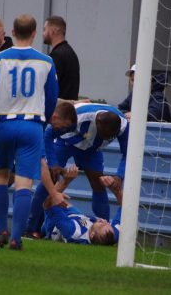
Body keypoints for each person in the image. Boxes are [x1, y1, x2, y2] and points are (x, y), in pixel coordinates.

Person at [0, 14, 62, 250]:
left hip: (3, 123)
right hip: (31, 125)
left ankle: (2, 229)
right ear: (34, 33)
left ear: (12, 31)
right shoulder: (46, 62)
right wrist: (43, 122)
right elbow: (51, 98)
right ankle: (17, 237)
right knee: (24, 183)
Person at [0, 102, 77, 237]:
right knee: (21, 179)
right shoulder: (37, 123)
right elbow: (41, 163)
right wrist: (54, 194)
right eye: (63, 127)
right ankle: (16, 232)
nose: (62, 131)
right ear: (55, 117)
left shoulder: (41, 108)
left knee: (9, 178)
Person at [27, 102, 128, 237]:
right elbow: (48, 135)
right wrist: (53, 163)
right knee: (50, 178)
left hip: (92, 149)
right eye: (104, 135)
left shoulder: (123, 126)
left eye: (111, 137)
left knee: (99, 183)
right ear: (97, 122)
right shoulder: (79, 117)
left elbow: (128, 153)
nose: (107, 139)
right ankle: (31, 229)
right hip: (66, 142)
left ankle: (104, 231)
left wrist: (119, 176)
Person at [42, 165, 121, 246]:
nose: (103, 220)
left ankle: (34, 229)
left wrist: (66, 181)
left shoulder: (73, 230)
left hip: (55, 224)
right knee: (61, 200)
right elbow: (125, 209)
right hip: (77, 217)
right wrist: (116, 191)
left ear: (92, 235)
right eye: (107, 223)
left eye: (101, 224)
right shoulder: (112, 234)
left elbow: (47, 204)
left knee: (55, 196)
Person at [43, 15, 80, 100]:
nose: (43, 33)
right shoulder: (70, 52)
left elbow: (50, 86)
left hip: (59, 109)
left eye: (45, 29)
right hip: (68, 108)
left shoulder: (57, 56)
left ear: (53, 31)